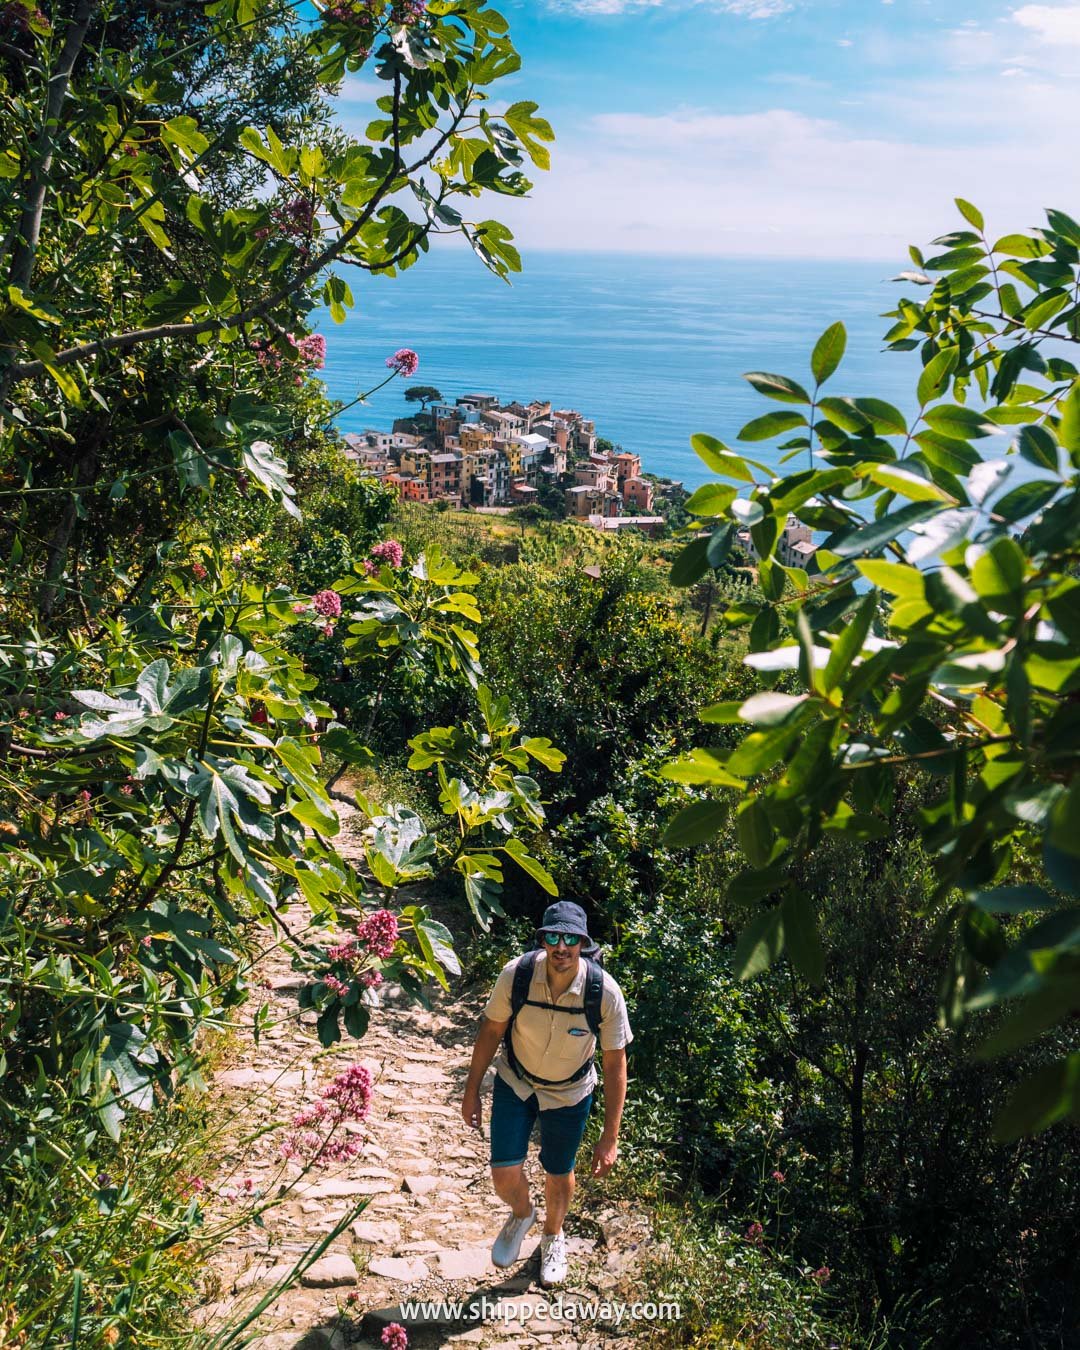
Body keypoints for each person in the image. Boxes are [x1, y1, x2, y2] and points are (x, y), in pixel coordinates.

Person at [460, 901, 632, 1288]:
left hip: (570, 1092)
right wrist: (471, 1091)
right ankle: (522, 1214)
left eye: (571, 938)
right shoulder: (517, 975)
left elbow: (615, 1064)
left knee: (559, 1172)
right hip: (516, 1081)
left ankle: (553, 1236)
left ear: (583, 944)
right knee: (503, 1173)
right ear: (542, 940)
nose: (561, 947)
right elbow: (490, 1032)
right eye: (552, 937)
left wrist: (610, 1138)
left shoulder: (603, 992)